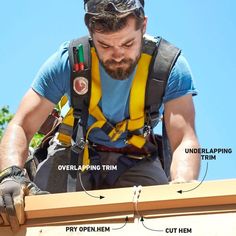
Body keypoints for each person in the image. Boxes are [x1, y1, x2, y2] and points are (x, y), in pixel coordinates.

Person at [0, 0, 200, 231]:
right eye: (105, 45)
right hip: (74, 154)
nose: (117, 55)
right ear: (91, 33)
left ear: (143, 26)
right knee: (36, 215)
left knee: (159, 217)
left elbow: (184, 138)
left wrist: (182, 188)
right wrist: (11, 175)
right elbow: (22, 125)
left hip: (136, 159)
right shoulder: (70, 60)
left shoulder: (168, 66)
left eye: (127, 43)